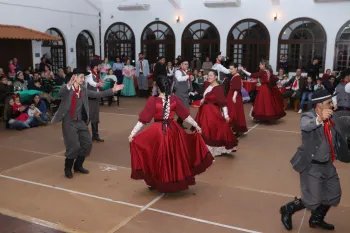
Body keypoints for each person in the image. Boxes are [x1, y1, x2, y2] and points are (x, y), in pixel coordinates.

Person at [280, 89, 350, 231]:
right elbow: (305, 125)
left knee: (333, 195)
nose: (332, 105)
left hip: (328, 164)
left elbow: (347, 120)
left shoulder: (334, 117)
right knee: (313, 200)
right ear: (319, 106)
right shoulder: (308, 116)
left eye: (332, 102)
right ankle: (288, 209)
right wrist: (319, 119)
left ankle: (316, 219)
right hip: (311, 166)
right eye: (329, 103)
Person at [128, 76, 213, 193]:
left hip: (158, 131)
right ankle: (174, 179)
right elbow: (185, 115)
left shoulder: (153, 101)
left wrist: (132, 133)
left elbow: (143, 120)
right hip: (173, 130)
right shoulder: (174, 99)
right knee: (174, 157)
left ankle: (159, 180)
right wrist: (197, 126)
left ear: (157, 87)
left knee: (158, 157)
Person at [51, 69, 124, 179]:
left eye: (83, 77)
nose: (83, 79)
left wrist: (112, 90)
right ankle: (68, 167)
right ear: (74, 77)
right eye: (81, 77)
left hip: (80, 121)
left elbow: (96, 94)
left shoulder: (84, 90)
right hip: (69, 122)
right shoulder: (68, 89)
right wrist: (68, 85)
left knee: (87, 143)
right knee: (74, 146)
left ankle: (78, 166)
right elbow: (60, 92)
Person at [193, 70, 238, 157]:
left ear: (216, 77)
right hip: (204, 111)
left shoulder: (218, 88)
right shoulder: (207, 85)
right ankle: (203, 147)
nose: (209, 77)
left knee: (211, 129)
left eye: (211, 75)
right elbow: (205, 96)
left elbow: (223, 103)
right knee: (204, 129)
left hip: (212, 112)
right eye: (208, 75)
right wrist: (201, 101)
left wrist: (226, 115)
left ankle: (210, 148)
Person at [86, 60, 105, 142]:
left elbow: (96, 84)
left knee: (95, 117)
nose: (100, 67)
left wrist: (100, 83)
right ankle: (79, 133)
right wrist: (98, 84)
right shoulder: (89, 73)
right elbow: (91, 83)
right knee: (88, 117)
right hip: (90, 98)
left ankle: (95, 135)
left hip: (95, 97)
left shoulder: (96, 74)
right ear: (95, 66)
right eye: (99, 65)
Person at [227, 63, 247, 135]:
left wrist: (234, 96)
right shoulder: (235, 76)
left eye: (232, 69)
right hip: (232, 95)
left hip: (234, 96)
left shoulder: (237, 77)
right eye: (230, 69)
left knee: (234, 112)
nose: (231, 70)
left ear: (236, 69)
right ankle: (236, 128)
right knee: (235, 111)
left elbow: (237, 88)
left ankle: (236, 128)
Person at [173, 60, 192, 129]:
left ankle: (179, 123)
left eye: (187, 64)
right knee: (183, 109)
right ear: (181, 64)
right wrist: (188, 76)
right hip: (180, 93)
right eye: (185, 64)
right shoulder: (178, 71)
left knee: (184, 109)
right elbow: (179, 79)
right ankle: (178, 123)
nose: (186, 65)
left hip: (185, 92)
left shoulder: (185, 71)